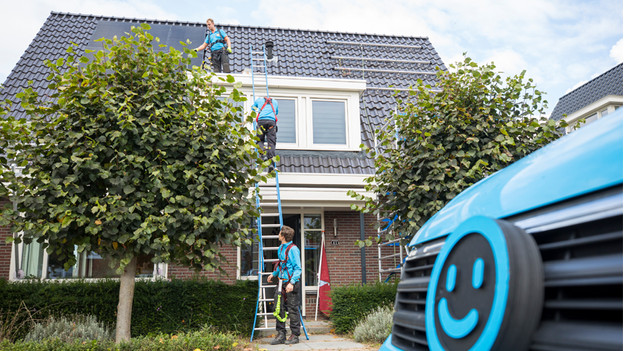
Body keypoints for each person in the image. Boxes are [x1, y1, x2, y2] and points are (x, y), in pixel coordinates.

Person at [267, 225, 302, 345]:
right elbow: (282, 265)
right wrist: (274, 274)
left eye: (280, 233)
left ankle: (295, 335)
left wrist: (292, 283)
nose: (278, 234)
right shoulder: (281, 248)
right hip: (281, 282)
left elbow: (298, 269)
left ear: (283, 236)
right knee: (278, 307)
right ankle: (281, 334)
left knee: (292, 309)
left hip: (291, 283)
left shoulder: (293, 249)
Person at [252, 97, 278, 167]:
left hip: (261, 121)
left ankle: (263, 155)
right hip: (271, 123)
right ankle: (271, 161)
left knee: (259, 140)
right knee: (271, 142)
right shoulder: (275, 102)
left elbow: (253, 108)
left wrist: (258, 108)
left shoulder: (258, 100)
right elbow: (276, 112)